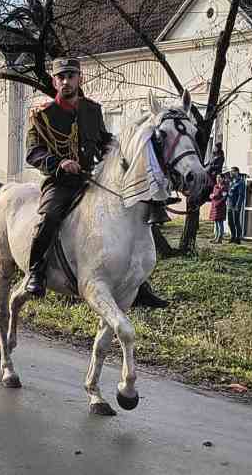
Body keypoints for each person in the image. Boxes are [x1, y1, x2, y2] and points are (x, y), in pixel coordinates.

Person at [24, 57, 169, 307]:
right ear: (54, 81)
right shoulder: (42, 115)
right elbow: (33, 151)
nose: (66, 81)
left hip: (91, 178)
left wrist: (120, 149)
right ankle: (36, 271)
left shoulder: (92, 110)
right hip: (60, 182)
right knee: (49, 217)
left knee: (134, 212)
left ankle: (137, 282)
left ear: (80, 78)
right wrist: (58, 163)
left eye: (71, 76)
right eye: (61, 77)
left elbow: (103, 142)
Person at [227, 166, 246, 244]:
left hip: (235, 205)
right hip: (230, 205)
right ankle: (233, 236)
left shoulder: (240, 182)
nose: (230, 173)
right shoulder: (232, 182)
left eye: (232, 171)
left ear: (236, 172)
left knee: (236, 222)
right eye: (230, 171)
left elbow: (241, 195)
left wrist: (238, 205)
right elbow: (229, 192)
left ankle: (238, 238)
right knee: (230, 222)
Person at [209, 174, 228, 244]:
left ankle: (220, 238)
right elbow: (212, 194)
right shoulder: (215, 186)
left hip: (220, 207)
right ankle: (216, 237)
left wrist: (217, 202)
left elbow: (224, 197)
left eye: (219, 177)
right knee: (216, 223)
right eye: (217, 177)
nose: (218, 179)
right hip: (214, 207)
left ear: (223, 179)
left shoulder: (224, 187)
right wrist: (211, 196)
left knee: (220, 223)